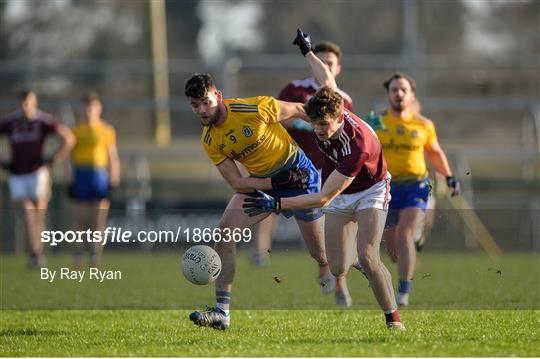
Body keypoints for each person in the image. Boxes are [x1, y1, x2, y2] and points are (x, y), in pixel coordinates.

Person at [243, 29, 405, 330]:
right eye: (314, 124)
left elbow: (322, 198)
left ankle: (393, 320)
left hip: (370, 189)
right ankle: (355, 259)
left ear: (341, 116)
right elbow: (326, 78)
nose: (319, 130)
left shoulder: (357, 146)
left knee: (370, 257)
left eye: (324, 126)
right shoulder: (328, 104)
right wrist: (306, 50)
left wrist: (277, 202)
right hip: (338, 190)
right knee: (338, 266)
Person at [184, 71, 335, 331]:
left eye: (205, 102)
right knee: (224, 233)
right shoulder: (209, 139)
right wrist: (275, 184)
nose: (201, 110)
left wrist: (332, 136)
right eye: (195, 106)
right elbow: (237, 183)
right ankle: (222, 312)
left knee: (320, 254)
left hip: (300, 174)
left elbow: (300, 109)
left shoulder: (253, 107)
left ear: (218, 96)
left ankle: (352, 259)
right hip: (265, 182)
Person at [251, 40, 355, 307]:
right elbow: (273, 116)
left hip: (331, 170)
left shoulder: (343, 99)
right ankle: (262, 251)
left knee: (335, 227)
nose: (324, 67)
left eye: (329, 63)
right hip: (296, 169)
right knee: (309, 226)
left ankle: (339, 281)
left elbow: (347, 135)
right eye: (319, 61)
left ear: (338, 68)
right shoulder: (295, 89)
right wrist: (301, 121)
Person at [375, 72, 460, 306]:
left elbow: (435, 152)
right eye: (394, 90)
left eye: (403, 90)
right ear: (388, 95)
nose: (399, 93)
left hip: (416, 186)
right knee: (392, 248)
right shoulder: (375, 122)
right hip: (386, 187)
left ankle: (404, 290)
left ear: (411, 95)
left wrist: (450, 177)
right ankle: (413, 242)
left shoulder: (423, 125)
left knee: (404, 234)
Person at [0, 90, 75, 267]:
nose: (26, 107)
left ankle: (37, 253)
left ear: (35, 103)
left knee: (38, 215)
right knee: (27, 212)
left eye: (29, 102)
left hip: (37, 173)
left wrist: (53, 158)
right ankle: (36, 252)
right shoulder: (12, 122)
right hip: (18, 174)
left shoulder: (43, 121)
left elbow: (68, 138)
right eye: (23, 103)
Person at [70, 92, 120, 268]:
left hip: (99, 177)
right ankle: (78, 254)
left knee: (98, 219)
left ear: (99, 109)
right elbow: (69, 157)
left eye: (92, 108)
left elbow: (112, 156)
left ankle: (95, 255)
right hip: (81, 177)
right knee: (81, 219)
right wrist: (69, 179)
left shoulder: (106, 130)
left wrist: (113, 178)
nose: (89, 112)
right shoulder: (75, 131)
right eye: (86, 108)